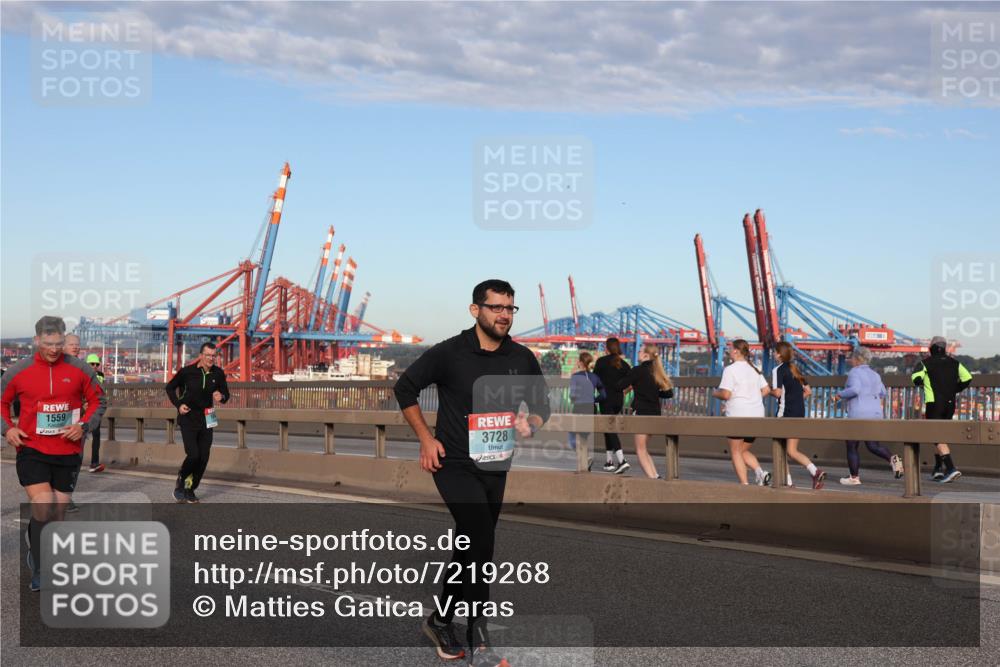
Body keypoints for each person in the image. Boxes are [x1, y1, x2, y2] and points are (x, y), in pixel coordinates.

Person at [394, 279, 549, 666]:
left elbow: (542, 404)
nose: (504, 315)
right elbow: (405, 388)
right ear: (475, 309)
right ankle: (479, 641)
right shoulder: (451, 352)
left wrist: (531, 422)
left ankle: (440, 620)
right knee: (481, 543)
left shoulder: (522, 358)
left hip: (495, 465)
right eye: (496, 307)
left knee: (471, 547)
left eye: (510, 308)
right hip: (454, 464)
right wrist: (426, 439)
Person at [1, 316, 106, 592]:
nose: (54, 349)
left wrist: (83, 426)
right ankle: (41, 568)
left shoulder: (80, 369)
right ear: (37, 340)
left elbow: (98, 401)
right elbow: (1, 403)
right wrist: (7, 429)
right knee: (44, 505)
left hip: (68, 450)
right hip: (32, 449)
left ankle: (37, 543)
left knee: (57, 514)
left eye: (59, 343)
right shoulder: (18, 371)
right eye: (48, 344)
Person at [165, 342, 230, 503]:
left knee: (204, 457)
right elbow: (170, 388)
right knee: (193, 454)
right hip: (188, 416)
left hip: (208, 417)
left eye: (213, 356)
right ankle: (181, 480)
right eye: (208, 355)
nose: (211, 358)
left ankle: (190, 489)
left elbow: (226, 395)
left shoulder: (218, 373)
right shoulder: (187, 372)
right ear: (201, 356)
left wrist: (221, 397)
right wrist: (178, 405)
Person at [911, 335, 973, 483]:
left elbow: (916, 378)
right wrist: (955, 389)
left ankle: (951, 468)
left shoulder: (925, 363)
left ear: (931, 348)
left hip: (934, 403)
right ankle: (938, 469)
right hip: (950, 404)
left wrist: (925, 384)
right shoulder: (955, 363)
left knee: (935, 435)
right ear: (944, 348)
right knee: (941, 435)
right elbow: (968, 378)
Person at [833, 347, 900, 485]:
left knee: (852, 445)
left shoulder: (854, 372)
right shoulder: (875, 374)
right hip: (875, 414)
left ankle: (854, 477)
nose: (851, 360)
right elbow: (883, 393)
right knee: (873, 445)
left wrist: (839, 395)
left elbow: (855, 390)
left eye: (852, 357)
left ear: (857, 359)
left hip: (858, 414)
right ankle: (892, 458)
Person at [712, 339, 771, 486]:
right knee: (742, 451)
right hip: (757, 415)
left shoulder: (730, 369)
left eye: (730, 349)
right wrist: (751, 399)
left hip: (738, 415)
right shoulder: (754, 368)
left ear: (736, 351)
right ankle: (760, 473)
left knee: (735, 451)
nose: (729, 351)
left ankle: (744, 485)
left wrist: (715, 393)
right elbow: (766, 390)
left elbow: (726, 394)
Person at [770, 342, 825, 489]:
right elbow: (808, 391)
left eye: (775, 352)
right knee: (792, 450)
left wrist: (765, 390)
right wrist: (795, 400)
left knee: (781, 450)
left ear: (779, 354)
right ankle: (814, 471)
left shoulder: (778, 370)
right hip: (799, 413)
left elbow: (777, 393)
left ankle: (788, 482)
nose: (773, 354)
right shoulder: (795, 369)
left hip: (785, 414)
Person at [616, 344, 674, 479]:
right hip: (655, 414)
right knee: (644, 448)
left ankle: (652, 480)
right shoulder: (656, 371)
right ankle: (655, 476)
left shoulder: (637, 370)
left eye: (640, 351)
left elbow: (620, 385)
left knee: (640, 449)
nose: (638, 353)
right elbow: (668, 393)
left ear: (646, 355)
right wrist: (652, 392)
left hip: (642, 413)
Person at [592, 337, 631, 473]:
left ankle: (622, 460)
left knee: (610, 428)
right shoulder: (624, 364)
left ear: (606, 348)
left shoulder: (601, 362)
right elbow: (631, 382)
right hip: (618, 400)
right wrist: (623, 391)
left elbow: (593, 381)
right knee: (608, 428)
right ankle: (609, 462)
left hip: (605, 399)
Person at [568, 351, 605, 470]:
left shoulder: (575, 377)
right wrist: (594, 399)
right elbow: (603, 395)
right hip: (591, 408)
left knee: (572, 436)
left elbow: (573, 395)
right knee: (584, 437)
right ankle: (584, 463)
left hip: (579, 407)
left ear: (580, 362)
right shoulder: (595, 377)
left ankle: (585, 459)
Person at [85, 354, 106, 473]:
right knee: (80, 436)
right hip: (83, 408)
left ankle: (94, 463)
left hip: (95, 408)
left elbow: (100, 391)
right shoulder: (82, 374)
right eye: (92, 364)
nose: (95, 366)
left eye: (97, 364)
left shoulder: (100, 375)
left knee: (96, 435)